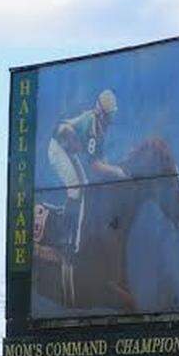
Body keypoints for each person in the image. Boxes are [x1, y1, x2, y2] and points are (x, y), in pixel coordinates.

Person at [46, 87, 125, 251]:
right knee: (75, 189)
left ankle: (74, 234)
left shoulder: (99, 125)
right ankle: (65, 237)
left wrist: (112, 168)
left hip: (66, 149)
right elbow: (95, 165)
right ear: (103, 113)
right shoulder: (93, 126)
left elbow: (100, 159)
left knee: (84, 186)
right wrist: (116, 171)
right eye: (110, 114)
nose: (112, 117)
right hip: (58, 148)